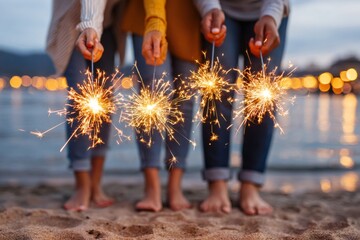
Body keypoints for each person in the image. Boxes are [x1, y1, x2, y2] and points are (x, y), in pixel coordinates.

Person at [77, 0, 201, 211]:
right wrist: (154, 22)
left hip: (189, 11)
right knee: (152, 95)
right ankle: (151, 186)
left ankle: (175, 185)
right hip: (145, 10)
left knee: (185, 100)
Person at [194, 0, 290, 215]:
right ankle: (217, 183)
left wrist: (271, 15)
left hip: (269, 10)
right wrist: (209, 8)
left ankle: (251, 184)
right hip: (219, 8)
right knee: (216, 90)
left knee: (262, 94)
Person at [46, 0, 127, 211]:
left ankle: (95, 183)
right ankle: (82, 185)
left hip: (109, 23)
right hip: (74, 20)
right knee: (82, 97)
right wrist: (90, 25)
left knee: (104, 101)